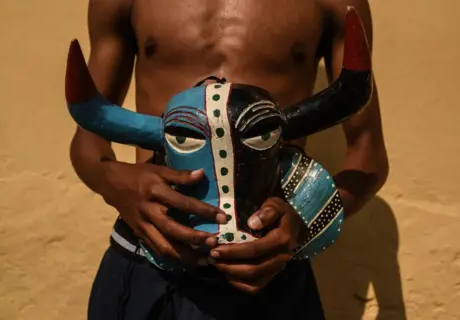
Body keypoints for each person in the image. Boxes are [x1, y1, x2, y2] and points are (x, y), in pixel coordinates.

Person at [69, 0, 389, 319]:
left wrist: (302, 223)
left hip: (270, 267)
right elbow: (88, 138)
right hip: (148, 257)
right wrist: (118, 183)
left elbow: (368, 155)